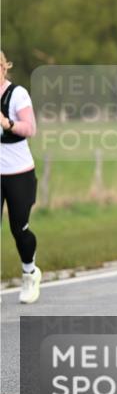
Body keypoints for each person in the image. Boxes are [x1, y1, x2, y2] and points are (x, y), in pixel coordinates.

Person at [0, 51, 41, 303]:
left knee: (19, 228)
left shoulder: (17, 94)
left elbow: (30, 128)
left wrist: (8, 124)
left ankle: (30, 273)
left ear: (3, 67)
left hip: (19, 174)